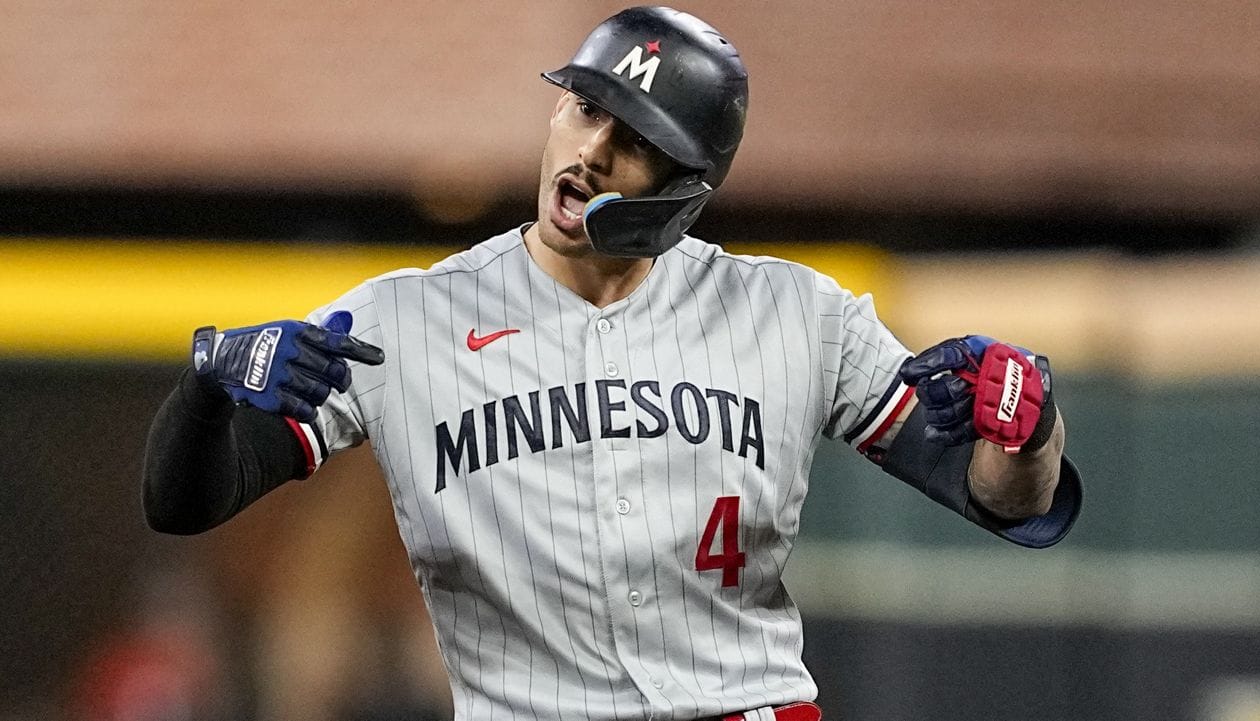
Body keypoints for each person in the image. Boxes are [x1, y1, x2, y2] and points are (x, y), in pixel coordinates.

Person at [142, 7, 1082, 720]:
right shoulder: (405, 318)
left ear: (686, 185)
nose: (590, 152)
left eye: (633, 139)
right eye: (585, 108)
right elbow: (184, 500)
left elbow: (1004, 499)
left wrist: (1030, 432)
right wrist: (205, 388)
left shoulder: (797, 313)